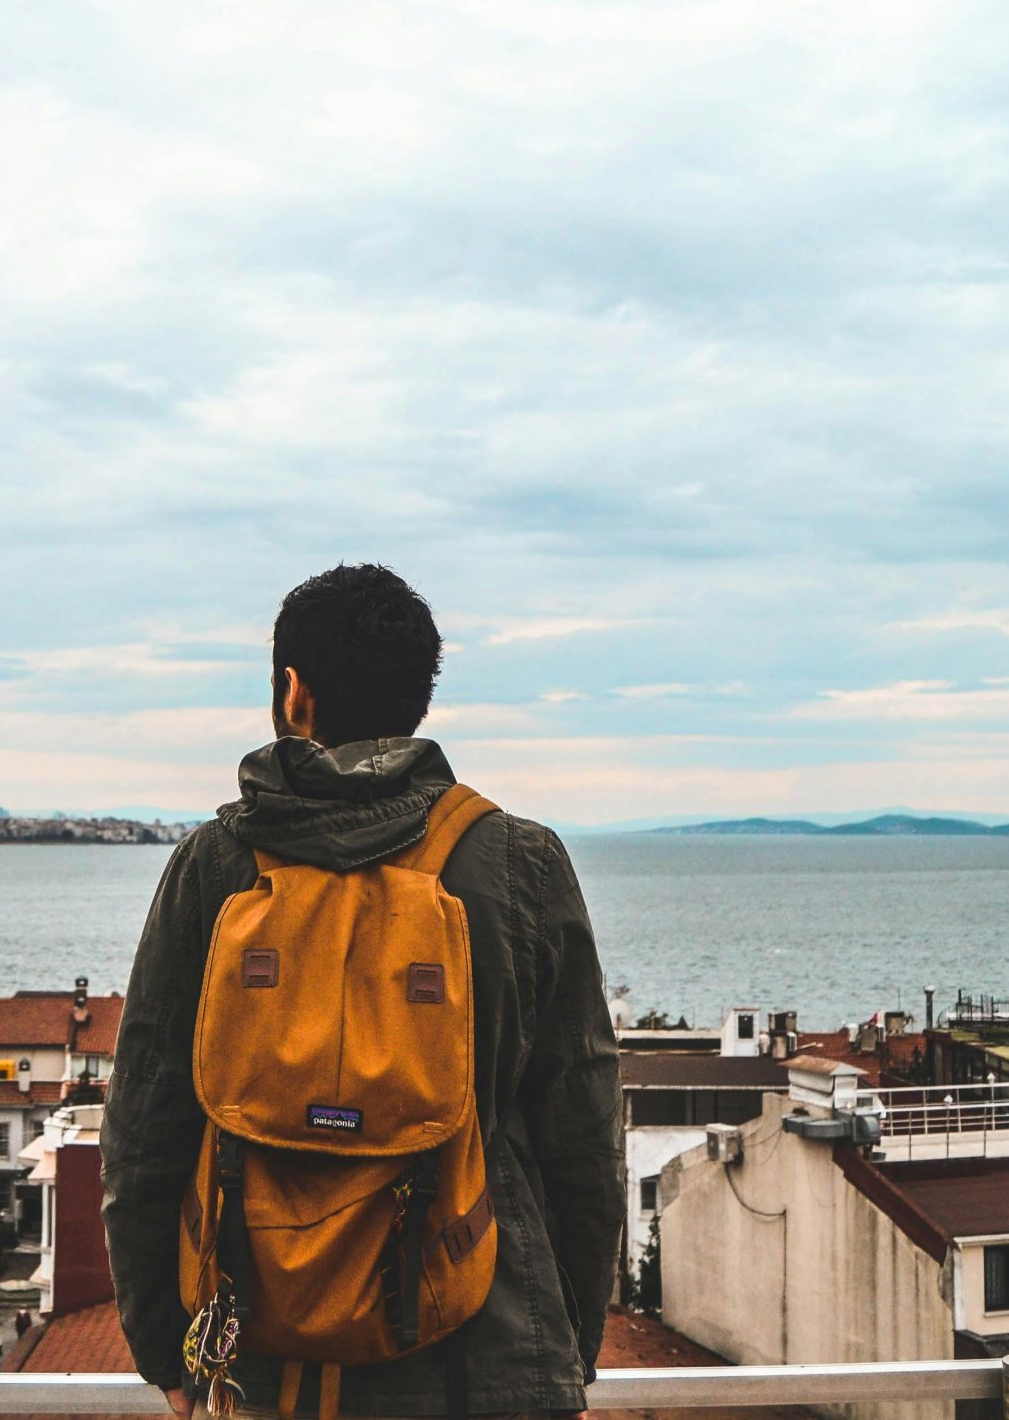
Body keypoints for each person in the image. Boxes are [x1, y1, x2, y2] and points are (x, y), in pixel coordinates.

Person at [102, 563, 622, 1419]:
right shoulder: (520, 862)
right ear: (420, 697)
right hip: (482, 1353)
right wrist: (566, 1346)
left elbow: (144, 1128)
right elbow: (584, 1135)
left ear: (292, 692)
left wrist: (169, 1349)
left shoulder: (216, 865)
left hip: (257, 1359)